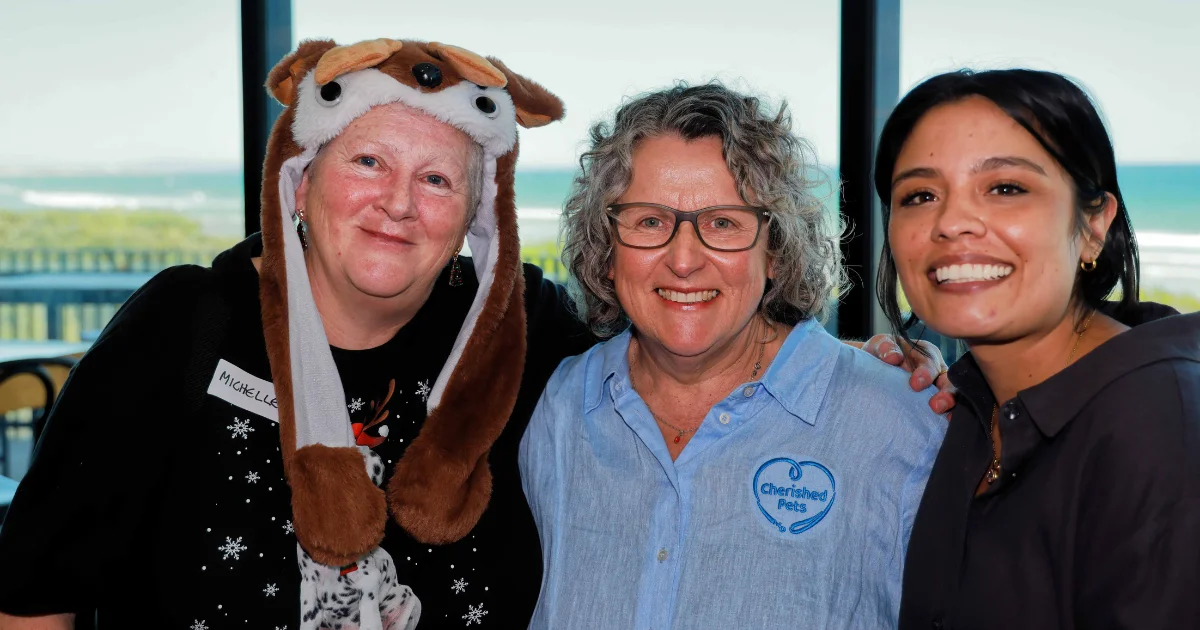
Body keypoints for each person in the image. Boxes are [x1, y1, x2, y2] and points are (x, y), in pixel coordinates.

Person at [0, 41, 946, 629]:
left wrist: (877, 367)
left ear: (475, 213)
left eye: (438, 179)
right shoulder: (187, 327)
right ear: (301, 178)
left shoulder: (519, 336)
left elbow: (697, 332)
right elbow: (35, 591)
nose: (397, 204)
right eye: (368, 162)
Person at [519, 83, 948, 629]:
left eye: (723, 223)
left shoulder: (901, 425)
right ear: (607, 250)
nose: (683, 260)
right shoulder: (556, 407)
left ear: (775, 251)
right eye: (649, 221)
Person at [875, 69, 1200, 629]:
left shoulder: (1157, 423)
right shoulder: (969, 406)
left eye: (1006, 188)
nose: (951, 222)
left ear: (1094, 224)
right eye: (920, 195)